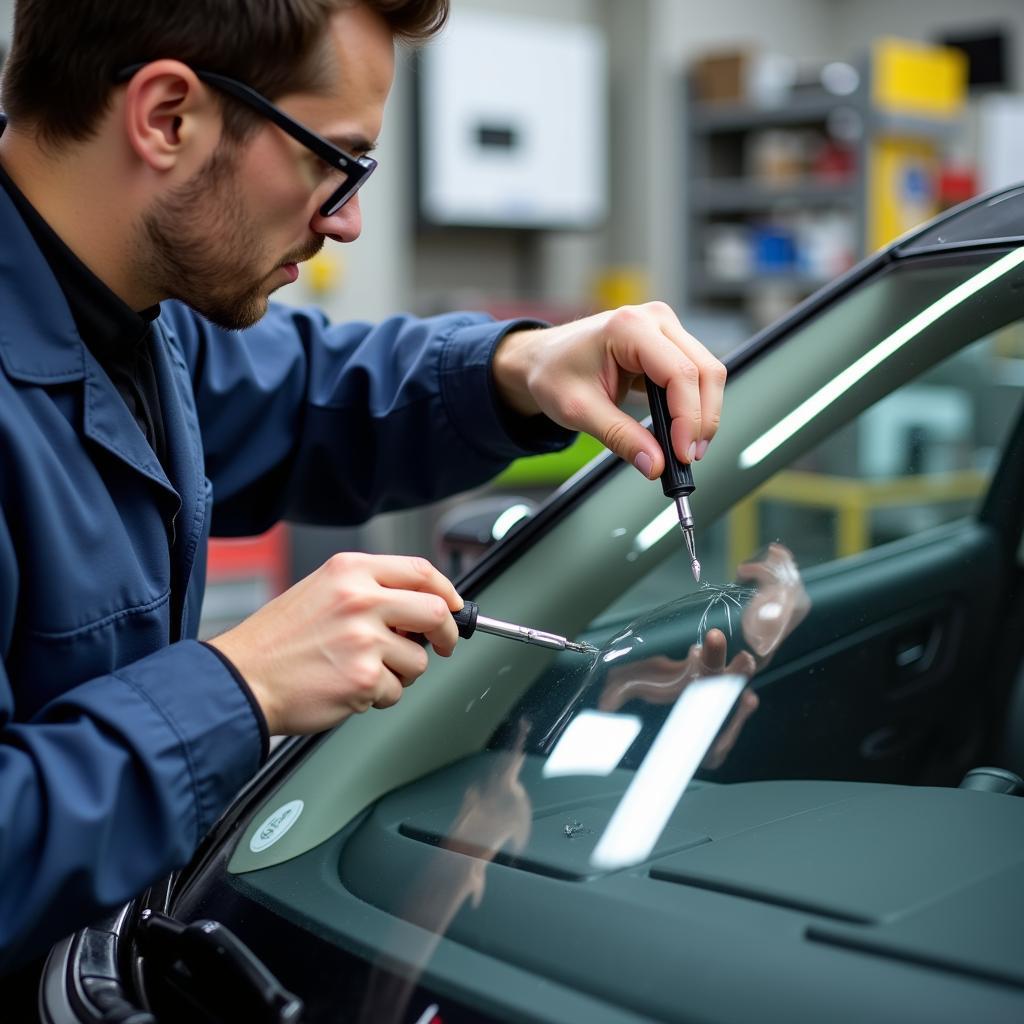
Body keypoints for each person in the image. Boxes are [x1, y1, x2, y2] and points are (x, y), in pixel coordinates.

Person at [0, 0, 726, 974]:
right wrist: (239, 686)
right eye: (333, 160)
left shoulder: (131, 305)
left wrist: (519, 365)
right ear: (168, 117)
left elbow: (302, 393)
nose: (345, 219)